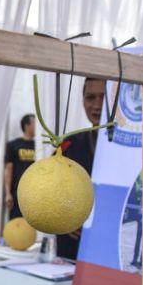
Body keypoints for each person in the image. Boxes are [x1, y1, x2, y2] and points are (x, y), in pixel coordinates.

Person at [56, 78, 106, 260]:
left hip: (111, 246)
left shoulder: (133, 148)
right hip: (74, 245)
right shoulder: (69, 144)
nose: (97, 105)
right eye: (90, 97)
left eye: (104, 97)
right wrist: (64, 218)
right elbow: (48, 190)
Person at [4, 114, 36, 219]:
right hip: (17, 192)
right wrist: (8, 193)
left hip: (35, 193)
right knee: (16, 224)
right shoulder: (13, 145)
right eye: (34, 123)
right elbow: (8, 169)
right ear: (27, 126)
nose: (37, 127)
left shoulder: (40, 145)